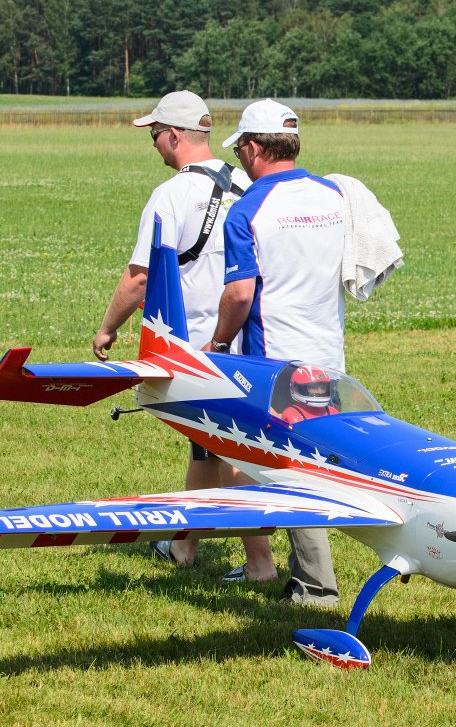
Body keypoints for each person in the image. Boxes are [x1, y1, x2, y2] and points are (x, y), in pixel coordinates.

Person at [92, 90, 276, 582]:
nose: (153, 144)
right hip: (252, 340)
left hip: (199, 347)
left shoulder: (170, 195)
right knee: (208, 446)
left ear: (173, 136)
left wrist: (108, 328)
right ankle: (183, 546)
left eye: (155, 135)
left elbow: (141, 276)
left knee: (233, 451)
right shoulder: (249, 181)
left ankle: (260, 563)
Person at [203, 98, 347, 607]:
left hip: (275, 359)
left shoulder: (248, 210)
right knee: (320, 461)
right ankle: (302, 575)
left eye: (241, 146)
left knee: (286, 468)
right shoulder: (333, 195)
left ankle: (314, 587)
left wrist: (218, 343)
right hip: (329, 351)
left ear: (256, 147)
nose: (240, 156)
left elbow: (241, 294)